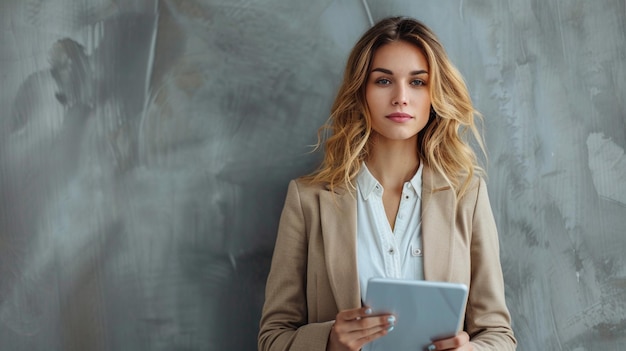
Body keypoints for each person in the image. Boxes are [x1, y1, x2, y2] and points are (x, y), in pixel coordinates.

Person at [258, 16, 517, 351]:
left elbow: (498, 334)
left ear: (435, 93)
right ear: (361, 92)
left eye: (418, 82)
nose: (401, 98)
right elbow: (272, 338)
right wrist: (329, 342)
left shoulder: (467, 195)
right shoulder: (308, 200)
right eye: (383, 81)